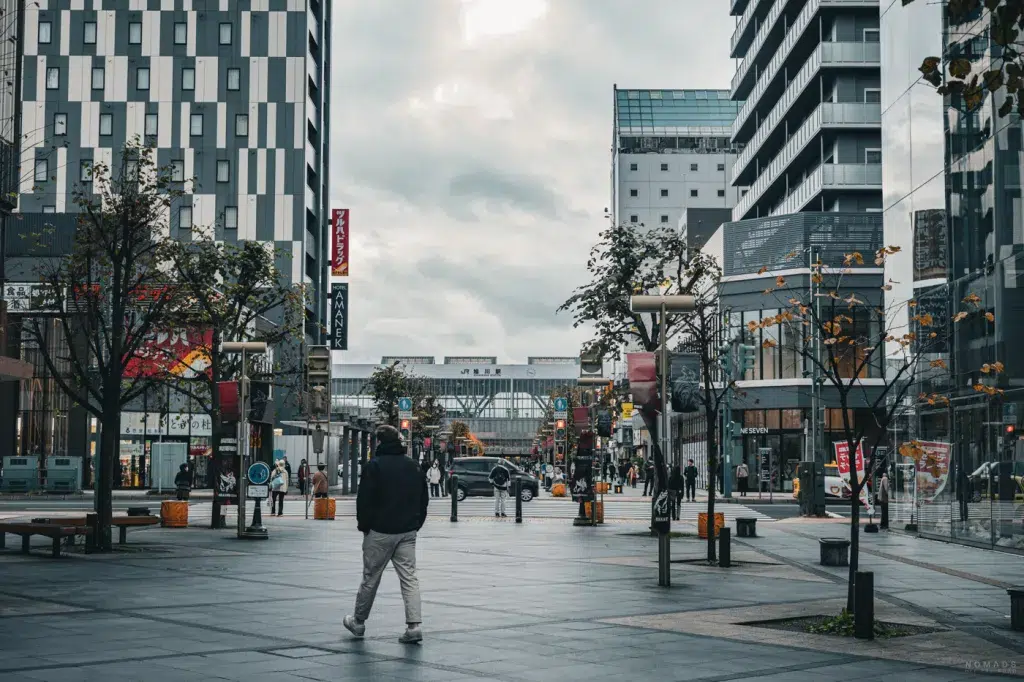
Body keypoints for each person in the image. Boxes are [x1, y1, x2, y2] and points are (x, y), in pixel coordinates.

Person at [344, 425, 428, 644]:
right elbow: (423, 498)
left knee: (370, 577)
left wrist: (364, 526)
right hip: (407, 531)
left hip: (379, 531)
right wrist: (416, 523)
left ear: (379, 442)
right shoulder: (413, 466)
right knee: (409, 578)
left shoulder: (375, 466)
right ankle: (414, 626)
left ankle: (359, 622)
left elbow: (364, 500)